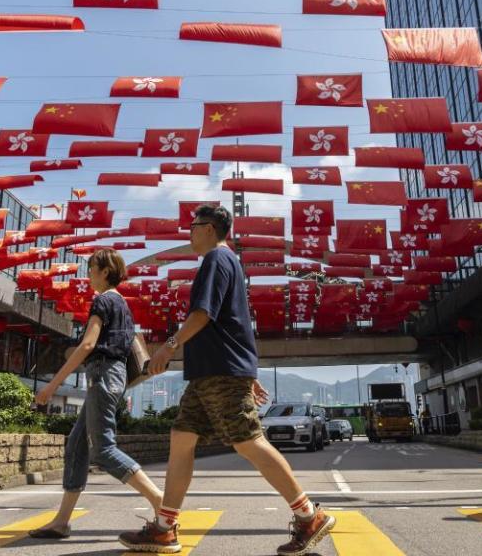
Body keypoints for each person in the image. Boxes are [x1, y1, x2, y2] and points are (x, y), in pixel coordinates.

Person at [119, 205, 335, 555]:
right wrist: (248, 374)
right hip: (211, 371)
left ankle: (309, 515)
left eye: (192, 227)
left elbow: (204, 314)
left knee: (248, 441)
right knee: (181, 439)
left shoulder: (216, 260)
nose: (188, 233)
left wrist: (168, 348)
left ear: (209, 228)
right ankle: (164, 528)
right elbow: (236, 322)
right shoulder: (226, 262)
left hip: (219, 370)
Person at [30, 248, 164, 539]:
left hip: (102, 375)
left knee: (103, 449)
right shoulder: (123, 306)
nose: (88, 274)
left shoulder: (103, 300)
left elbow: (88, 345)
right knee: (77, 446)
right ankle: (62, 521)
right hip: (112, 377)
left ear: (105, 272)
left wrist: (52, 385)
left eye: (91, 269)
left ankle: (161, 504)